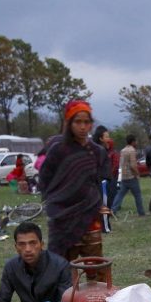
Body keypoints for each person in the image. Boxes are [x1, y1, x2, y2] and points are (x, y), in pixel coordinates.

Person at [39, 99, 106, 259]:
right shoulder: (58, 150)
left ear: (91, 124)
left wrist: (97, 204)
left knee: (95, 266)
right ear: (69, 123)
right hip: (62, 217)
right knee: (61, 266)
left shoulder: (96, 151)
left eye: (86, 122)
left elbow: (97, 181)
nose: (83, 127)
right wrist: (55, 202)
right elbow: (45, 178)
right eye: (78, 122)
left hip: (89, 215)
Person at [112, 134, 146, 216]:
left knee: (120, 195)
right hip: (131, 177)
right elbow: (133, 165)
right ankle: (141, 213)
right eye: (136, 141)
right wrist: (137, 174)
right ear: (133, 142)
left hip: (124, 177)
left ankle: (113, 210)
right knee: (137, 195)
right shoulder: (132, 150)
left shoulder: (123, 150)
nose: (136, 142)